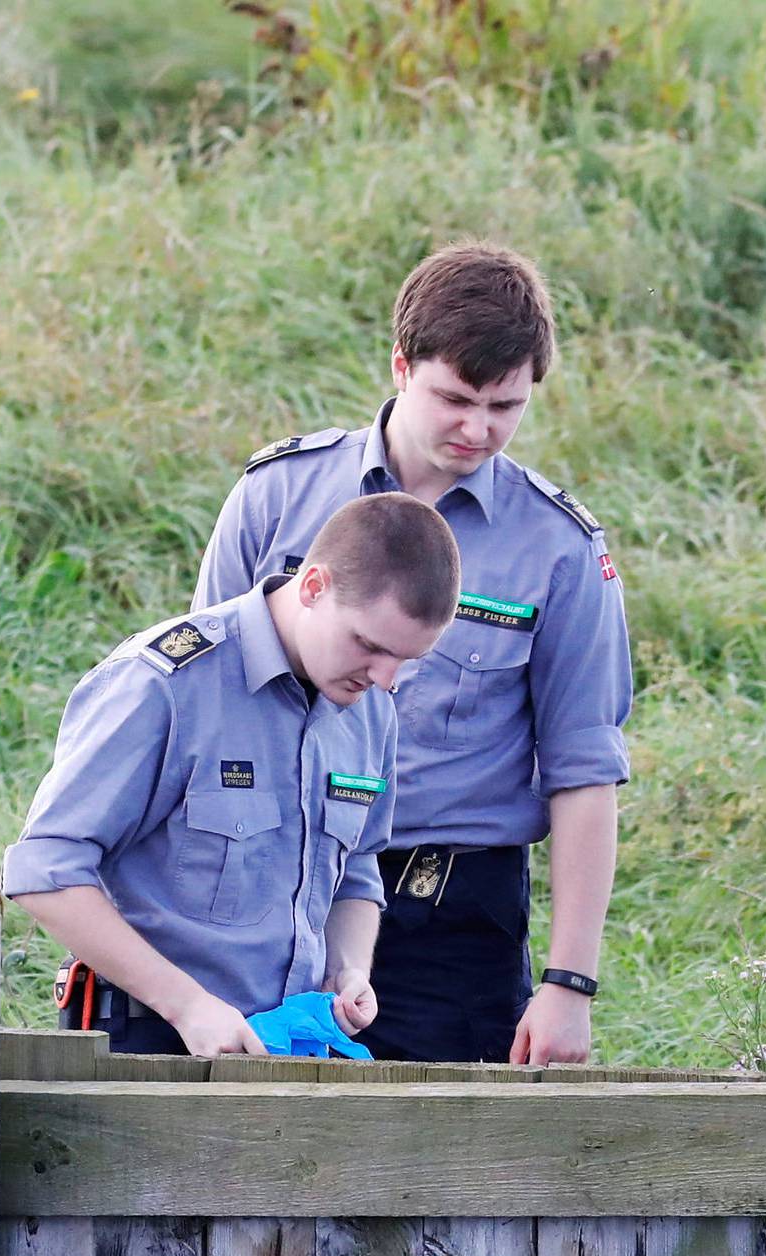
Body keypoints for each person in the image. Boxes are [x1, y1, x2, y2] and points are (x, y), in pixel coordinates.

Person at [194, 242, 630, 1065]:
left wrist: (570, 984)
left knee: (452, 1180)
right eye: (456, 399)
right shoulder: (277, 497)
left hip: (451, 918)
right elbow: (200, 709)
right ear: (401, 366)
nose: (479, 429)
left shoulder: (558, 550)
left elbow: (585, 770)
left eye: (507, 406)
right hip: (273, 888)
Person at [4, 494, 459, 1057]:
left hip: (288, 1049)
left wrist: (348, 969)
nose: (385, 678)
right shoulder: (165, 684)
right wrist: (188, 1006)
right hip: (149, 1042)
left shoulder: (370, 710)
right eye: (368, 644)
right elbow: (45, 871)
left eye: (407, 660)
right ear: (314, 587)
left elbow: (358, 867)